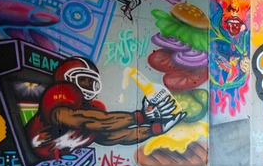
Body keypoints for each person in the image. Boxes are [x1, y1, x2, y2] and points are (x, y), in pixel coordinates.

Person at [26, 56, 185, 160]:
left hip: (57, 162)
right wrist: (141, 116)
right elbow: (84, 121)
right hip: (35, 159)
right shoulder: (60, 94)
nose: (88, 86)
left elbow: (116, 136)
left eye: (91, 81)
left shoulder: (93, 109)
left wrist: (155, 129)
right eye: (83, 80)